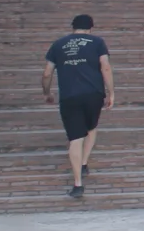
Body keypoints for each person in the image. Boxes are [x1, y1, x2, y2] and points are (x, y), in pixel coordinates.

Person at [42, 14, 115, 199]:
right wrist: (111, 92)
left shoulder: (58, 45)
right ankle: (83, 162)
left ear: (73, 27)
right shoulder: (97, 42)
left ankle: (78, 184)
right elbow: (105, 67)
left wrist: (47, 93)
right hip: (93, 94)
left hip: (69, 96)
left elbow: (47, 73)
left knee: (75, 138)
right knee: (91, 128)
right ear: (90, 28)